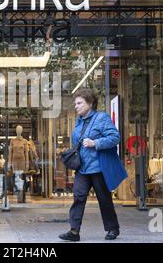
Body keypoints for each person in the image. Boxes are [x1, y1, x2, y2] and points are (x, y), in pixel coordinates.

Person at [59, 88, 122, 241]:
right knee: (78, 198)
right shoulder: (79, 121)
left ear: (90, 103)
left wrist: (96, 142)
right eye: (76, 103)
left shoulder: (102, 118)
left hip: (98, 167)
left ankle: (112, 229)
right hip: (82, 168)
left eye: (79, 103)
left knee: (104, 199)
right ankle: (74, 232)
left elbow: (115, 137)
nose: (76, 106)